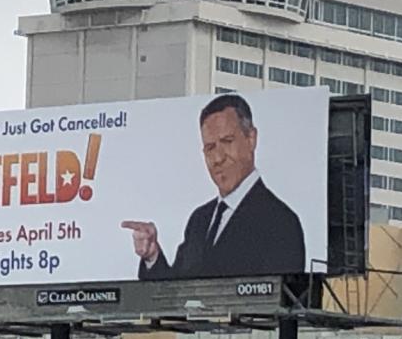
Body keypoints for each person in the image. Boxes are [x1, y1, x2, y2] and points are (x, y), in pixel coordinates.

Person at [121, 93, 305, 280]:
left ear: (251, 138)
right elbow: (175, 294)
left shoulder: (280, 222)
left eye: (227, 142)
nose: (218, 158)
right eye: (210, 148)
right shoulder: (199, 220)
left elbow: (280, 299)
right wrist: (152, 257)